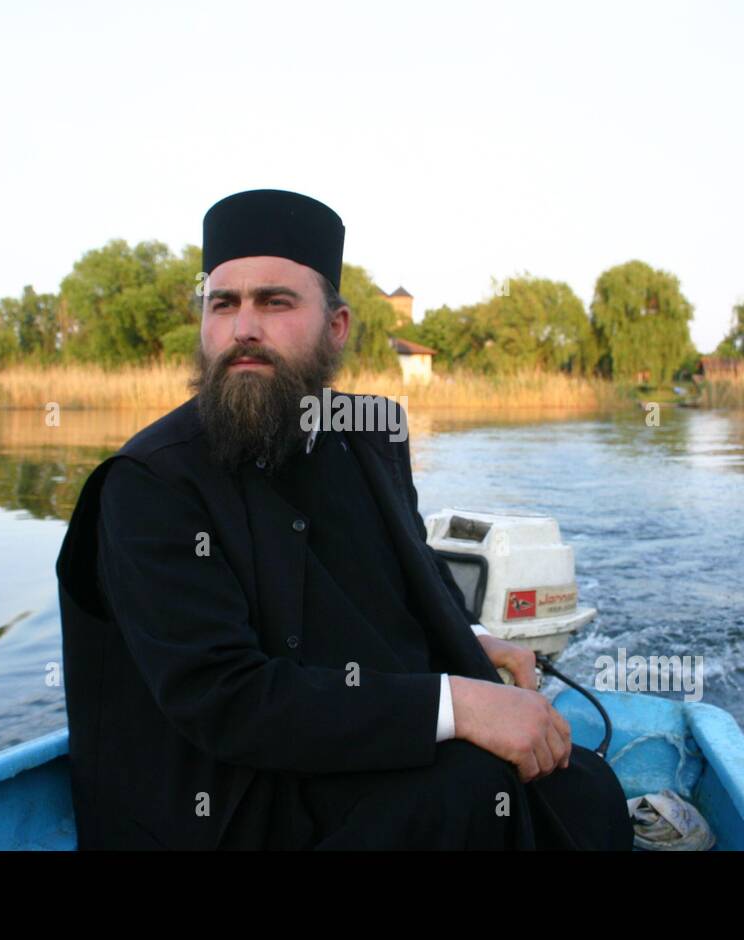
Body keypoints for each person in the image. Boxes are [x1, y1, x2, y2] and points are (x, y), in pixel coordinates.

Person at [55, 188, 633, 850]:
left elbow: (414, 571)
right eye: (224, 304)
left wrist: (473, 639)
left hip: (338, 745)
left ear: (337, 327)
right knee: (476, 786)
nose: (244, 327)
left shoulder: (368, 433)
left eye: (275, 302)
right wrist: (462, 704)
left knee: (581, 785)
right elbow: (227, 700)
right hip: (223, 807)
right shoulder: (151, 483)